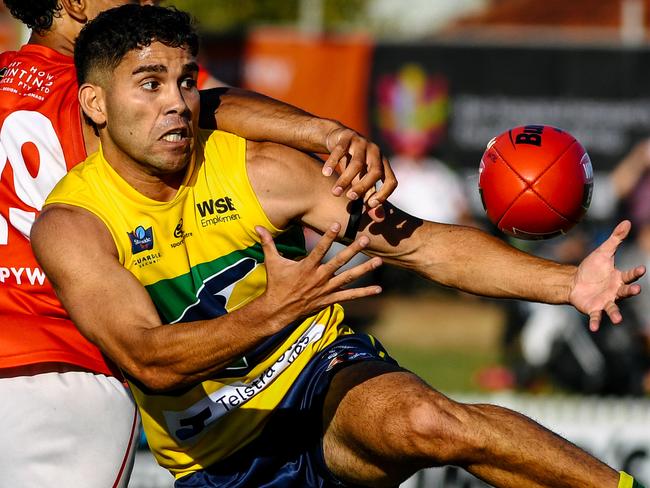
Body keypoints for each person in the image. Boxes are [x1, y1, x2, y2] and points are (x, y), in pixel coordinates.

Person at [31, 5, 646, 488]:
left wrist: (566, 285)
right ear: (95, 103)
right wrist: (274, 308)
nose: (177, 103)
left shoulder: (262, 170)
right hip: (214, 458)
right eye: (150, 84)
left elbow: (422, 246)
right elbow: (148, 360)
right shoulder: (72, 225)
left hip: (320, 377)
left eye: (187, 82)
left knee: (427, 422)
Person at [0, 1, 396, 486]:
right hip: (65, 366)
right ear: (75, 4)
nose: (146, 3)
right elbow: (215, 105)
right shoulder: (106, 87)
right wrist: (324, 131)